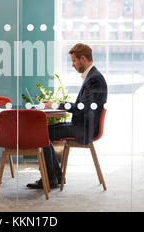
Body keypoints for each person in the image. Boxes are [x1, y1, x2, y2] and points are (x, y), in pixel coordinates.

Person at [27, 43, 108, 189]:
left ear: (82, 58)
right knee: (43, 131)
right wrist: (56, 104)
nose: (73, 65)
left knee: (40, 133)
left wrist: (56, 105)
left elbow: (84, 108)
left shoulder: (94, 79)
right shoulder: (92, 76)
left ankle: (51, 178)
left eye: (74, 61)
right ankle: (55, 177)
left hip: (84, 129)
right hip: (82, 126)